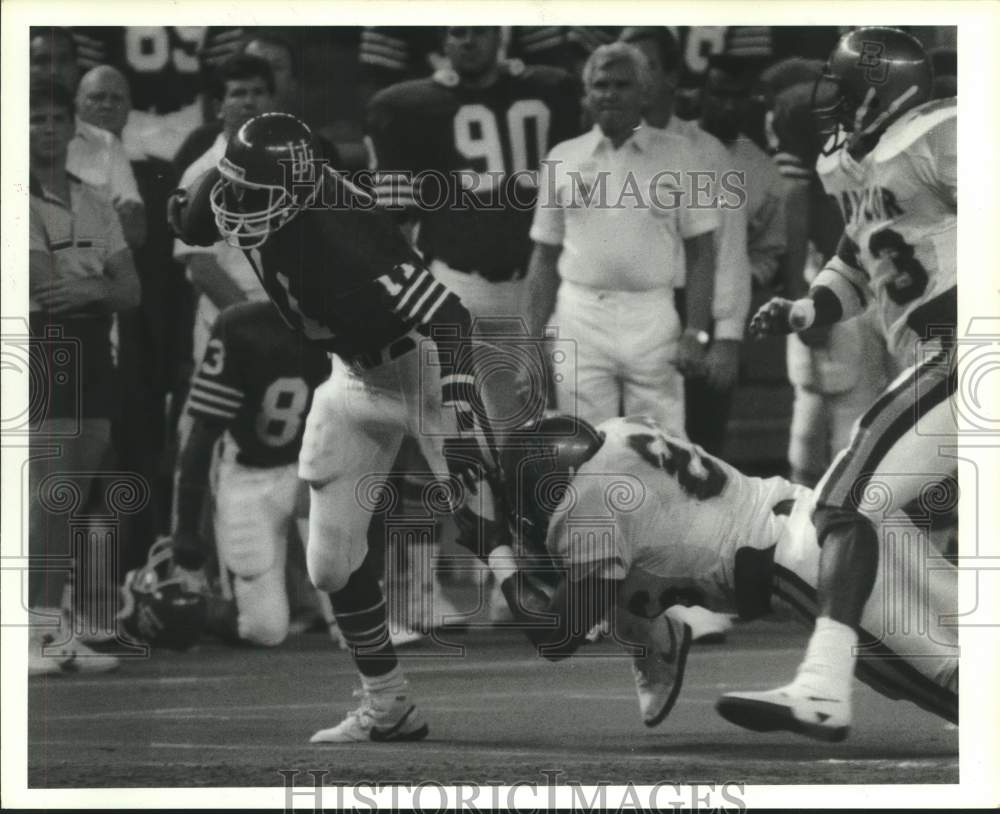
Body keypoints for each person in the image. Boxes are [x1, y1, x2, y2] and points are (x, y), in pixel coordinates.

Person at [168, 111, 508, 743]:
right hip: (351, 377)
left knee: (520, 574)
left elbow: (453, 321)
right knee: (329, 564)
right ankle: (388, 704)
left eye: (255, 193)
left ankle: (648, 630)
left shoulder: (346, 229)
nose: (238, 206)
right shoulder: (254, 184)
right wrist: (220, 169)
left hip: (422, 369)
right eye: (234, 185)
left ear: (299, 194)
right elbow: (189, 215)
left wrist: (461, 420)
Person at [718, 27, 957, 741]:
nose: (837, 107)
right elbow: (861, 260)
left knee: (844, 501)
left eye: (847, 91)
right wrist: (808, 305)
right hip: (939, 353)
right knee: (885, 516)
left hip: (971, 348)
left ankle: (824, 685)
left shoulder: (946, 134)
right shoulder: (867, 166)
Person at [494, 414, 957, 731]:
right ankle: (656, 639)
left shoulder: (588, 505)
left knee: (957, 688)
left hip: (807, 564)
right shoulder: (618, 430)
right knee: (975, 621)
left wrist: (491, 550)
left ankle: (655, 639)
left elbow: (555, 638)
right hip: (825, 510)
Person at [526, 42, 719, 438]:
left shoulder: (681, 156)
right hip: (580, 315)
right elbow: (544, 257)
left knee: (662, 448)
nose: (609, 94)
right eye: (600, 85)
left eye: (622, 85)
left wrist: (697, 332)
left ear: (645, 92)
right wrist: (529, 343)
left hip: (652, 316)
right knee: (583, 447)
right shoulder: (562, 158)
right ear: (587, 94)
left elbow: (702, 254)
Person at [28, 79, 141, 674]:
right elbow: (40, 286)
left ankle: (53, 625)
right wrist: (100, 284)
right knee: (50, 490)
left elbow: (131, 288)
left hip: (94, 346)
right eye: (34, 119)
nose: (47, 128)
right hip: (44, 343)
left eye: (55, 118)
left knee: (77, 487)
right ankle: (31, 628)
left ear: (73, 128)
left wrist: (91, 287)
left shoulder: (96, 198)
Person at [618, 28, 751, 456]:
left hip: (691, 310)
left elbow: (729, 250)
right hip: (621, 315)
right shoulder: (599, 150)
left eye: (646, 66)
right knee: (628, 454)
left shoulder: (708, 153)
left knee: (699, 458)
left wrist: (727, 338)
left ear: (672, 77)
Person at [170, 301, 331, 646]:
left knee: (357, 620)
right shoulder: (241, 325)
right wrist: (185, 526)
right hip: (249, 475)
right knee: (265, 630)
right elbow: (204, 432)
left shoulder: (346, 319)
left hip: (319, 470)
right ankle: (204, 610)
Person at [173, 54, 275, 372]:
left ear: (273, 100)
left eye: (258, 92)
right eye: (238, 93)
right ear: (219, 106)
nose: (249, 102)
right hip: (229, 327)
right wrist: (261, 329)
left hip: (294, 326)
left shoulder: (298, 169)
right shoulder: (201, 174)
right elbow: (202, 268)